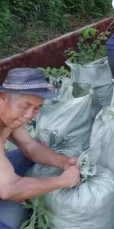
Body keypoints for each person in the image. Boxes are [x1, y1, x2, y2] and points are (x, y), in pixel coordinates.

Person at [0, 68, 81, 229]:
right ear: (3, 97)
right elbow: (8, 190)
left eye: (37, 108)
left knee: (23, 157)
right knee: (13, 216)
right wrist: (63, 181)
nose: (30, 115)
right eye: (25, 106)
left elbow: (30, 147)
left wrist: (64, 162)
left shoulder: (9, 118)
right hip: (6, 188)